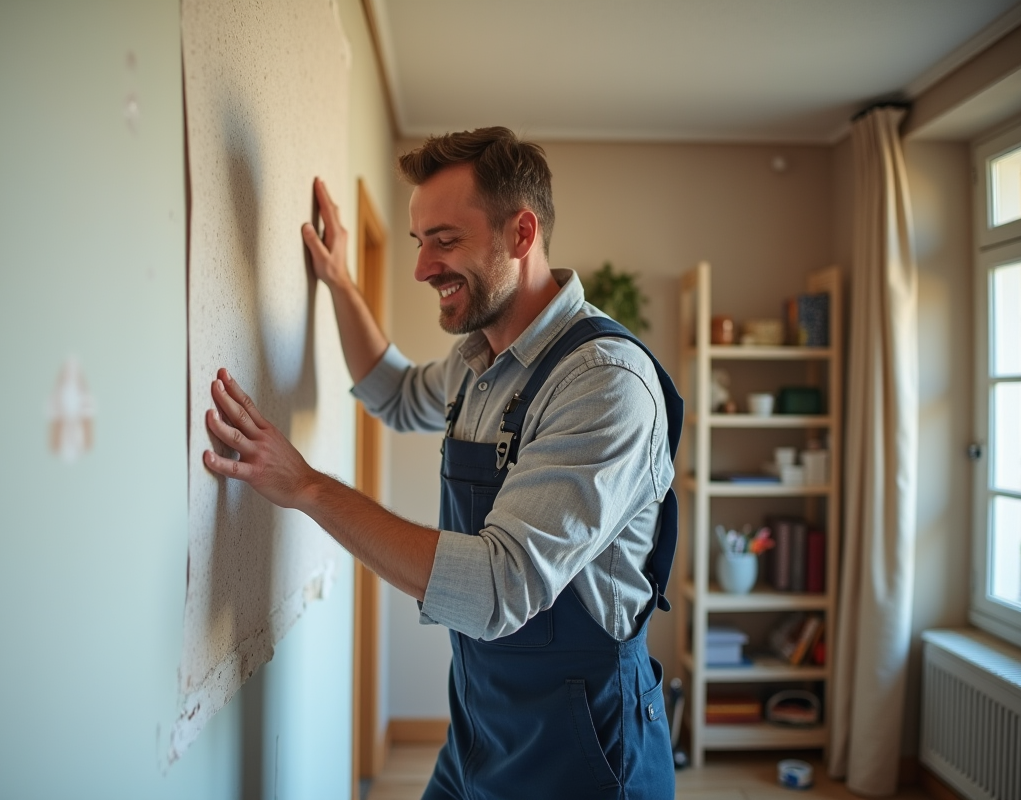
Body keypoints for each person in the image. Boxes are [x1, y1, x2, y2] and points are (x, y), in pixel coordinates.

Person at [203, 127, 681, 799]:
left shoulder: (603, 383)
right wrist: (338, 281)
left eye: (446, 241)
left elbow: (495, 589)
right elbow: (394, 393)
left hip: (585, 749)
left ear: (521, 233)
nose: (423, 268)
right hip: (479, 727)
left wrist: (308, 487)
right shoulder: (479, 363)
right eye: (418, 242)